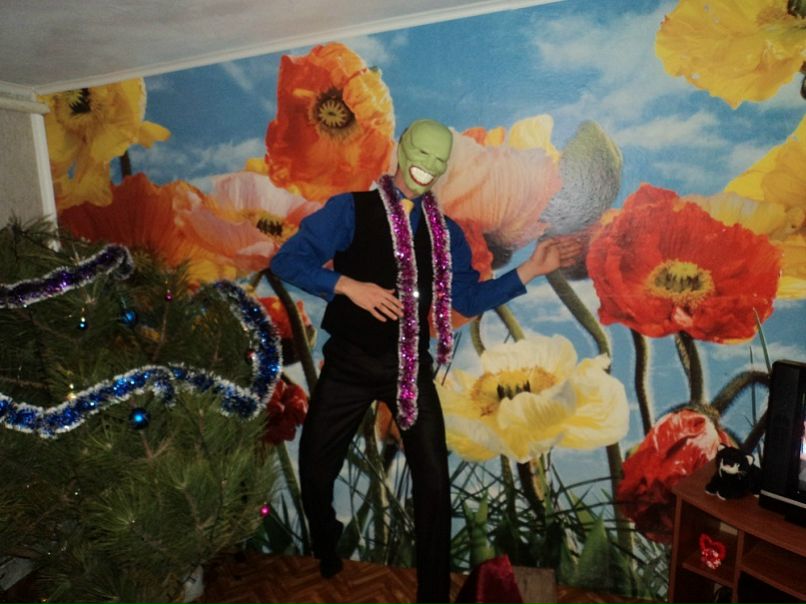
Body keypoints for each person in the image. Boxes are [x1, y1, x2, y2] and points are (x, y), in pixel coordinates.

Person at [270, 119, 579, 604]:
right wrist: (347, 286)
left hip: (409, 372)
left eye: (439, 159)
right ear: (401, 150)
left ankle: (433, 595)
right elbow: (288, 261)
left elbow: (468, 299)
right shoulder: (350, 209)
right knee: (313, 469)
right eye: (422, 153)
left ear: (444, 168)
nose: (427, 165)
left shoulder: (447, 234)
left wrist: (530, 270)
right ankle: (327, 544)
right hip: (349, 364)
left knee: (434, 484)